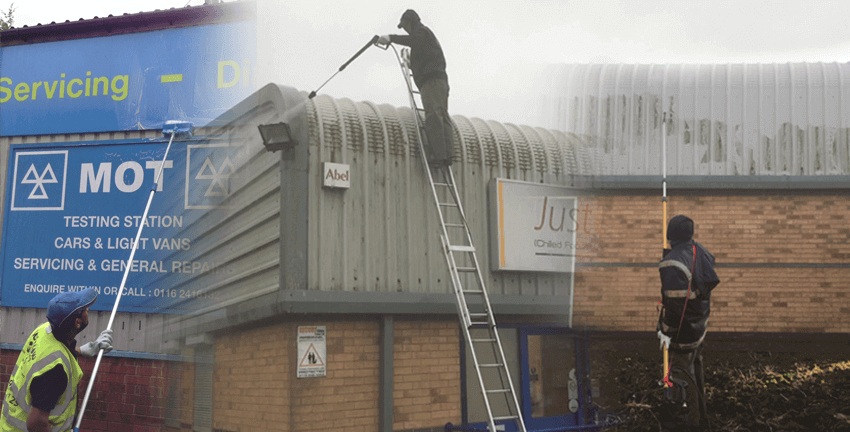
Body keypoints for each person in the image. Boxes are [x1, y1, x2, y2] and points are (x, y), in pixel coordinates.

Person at [1, 288, 113, 432]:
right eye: (84, 309)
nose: (88, 310)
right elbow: (36, 423)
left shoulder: (43, 330)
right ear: (77, 322)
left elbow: (53, 351)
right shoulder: (55, 371)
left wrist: (82, 350)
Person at [656, 215, 720, 431]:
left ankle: (692, 424)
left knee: (682, 374)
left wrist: (666, 332)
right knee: (695, 369)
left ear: (670, 235)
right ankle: (703, 419)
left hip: (684, 331)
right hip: (699, 325)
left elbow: (675, 307)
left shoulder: (671, 263)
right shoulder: (698, 250)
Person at [379, 9, 454, 167]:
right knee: (441, 115)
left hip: (432, 82)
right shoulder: (424, 39)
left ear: (410, 22)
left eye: (405, 25)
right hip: (439, 81)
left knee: (433, 116)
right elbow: (423, 56)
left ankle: (439, 156)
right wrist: (410, 62)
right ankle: (447, 155)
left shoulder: (421, 33)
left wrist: (391, 38)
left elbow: (413, 41)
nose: (405, 29)